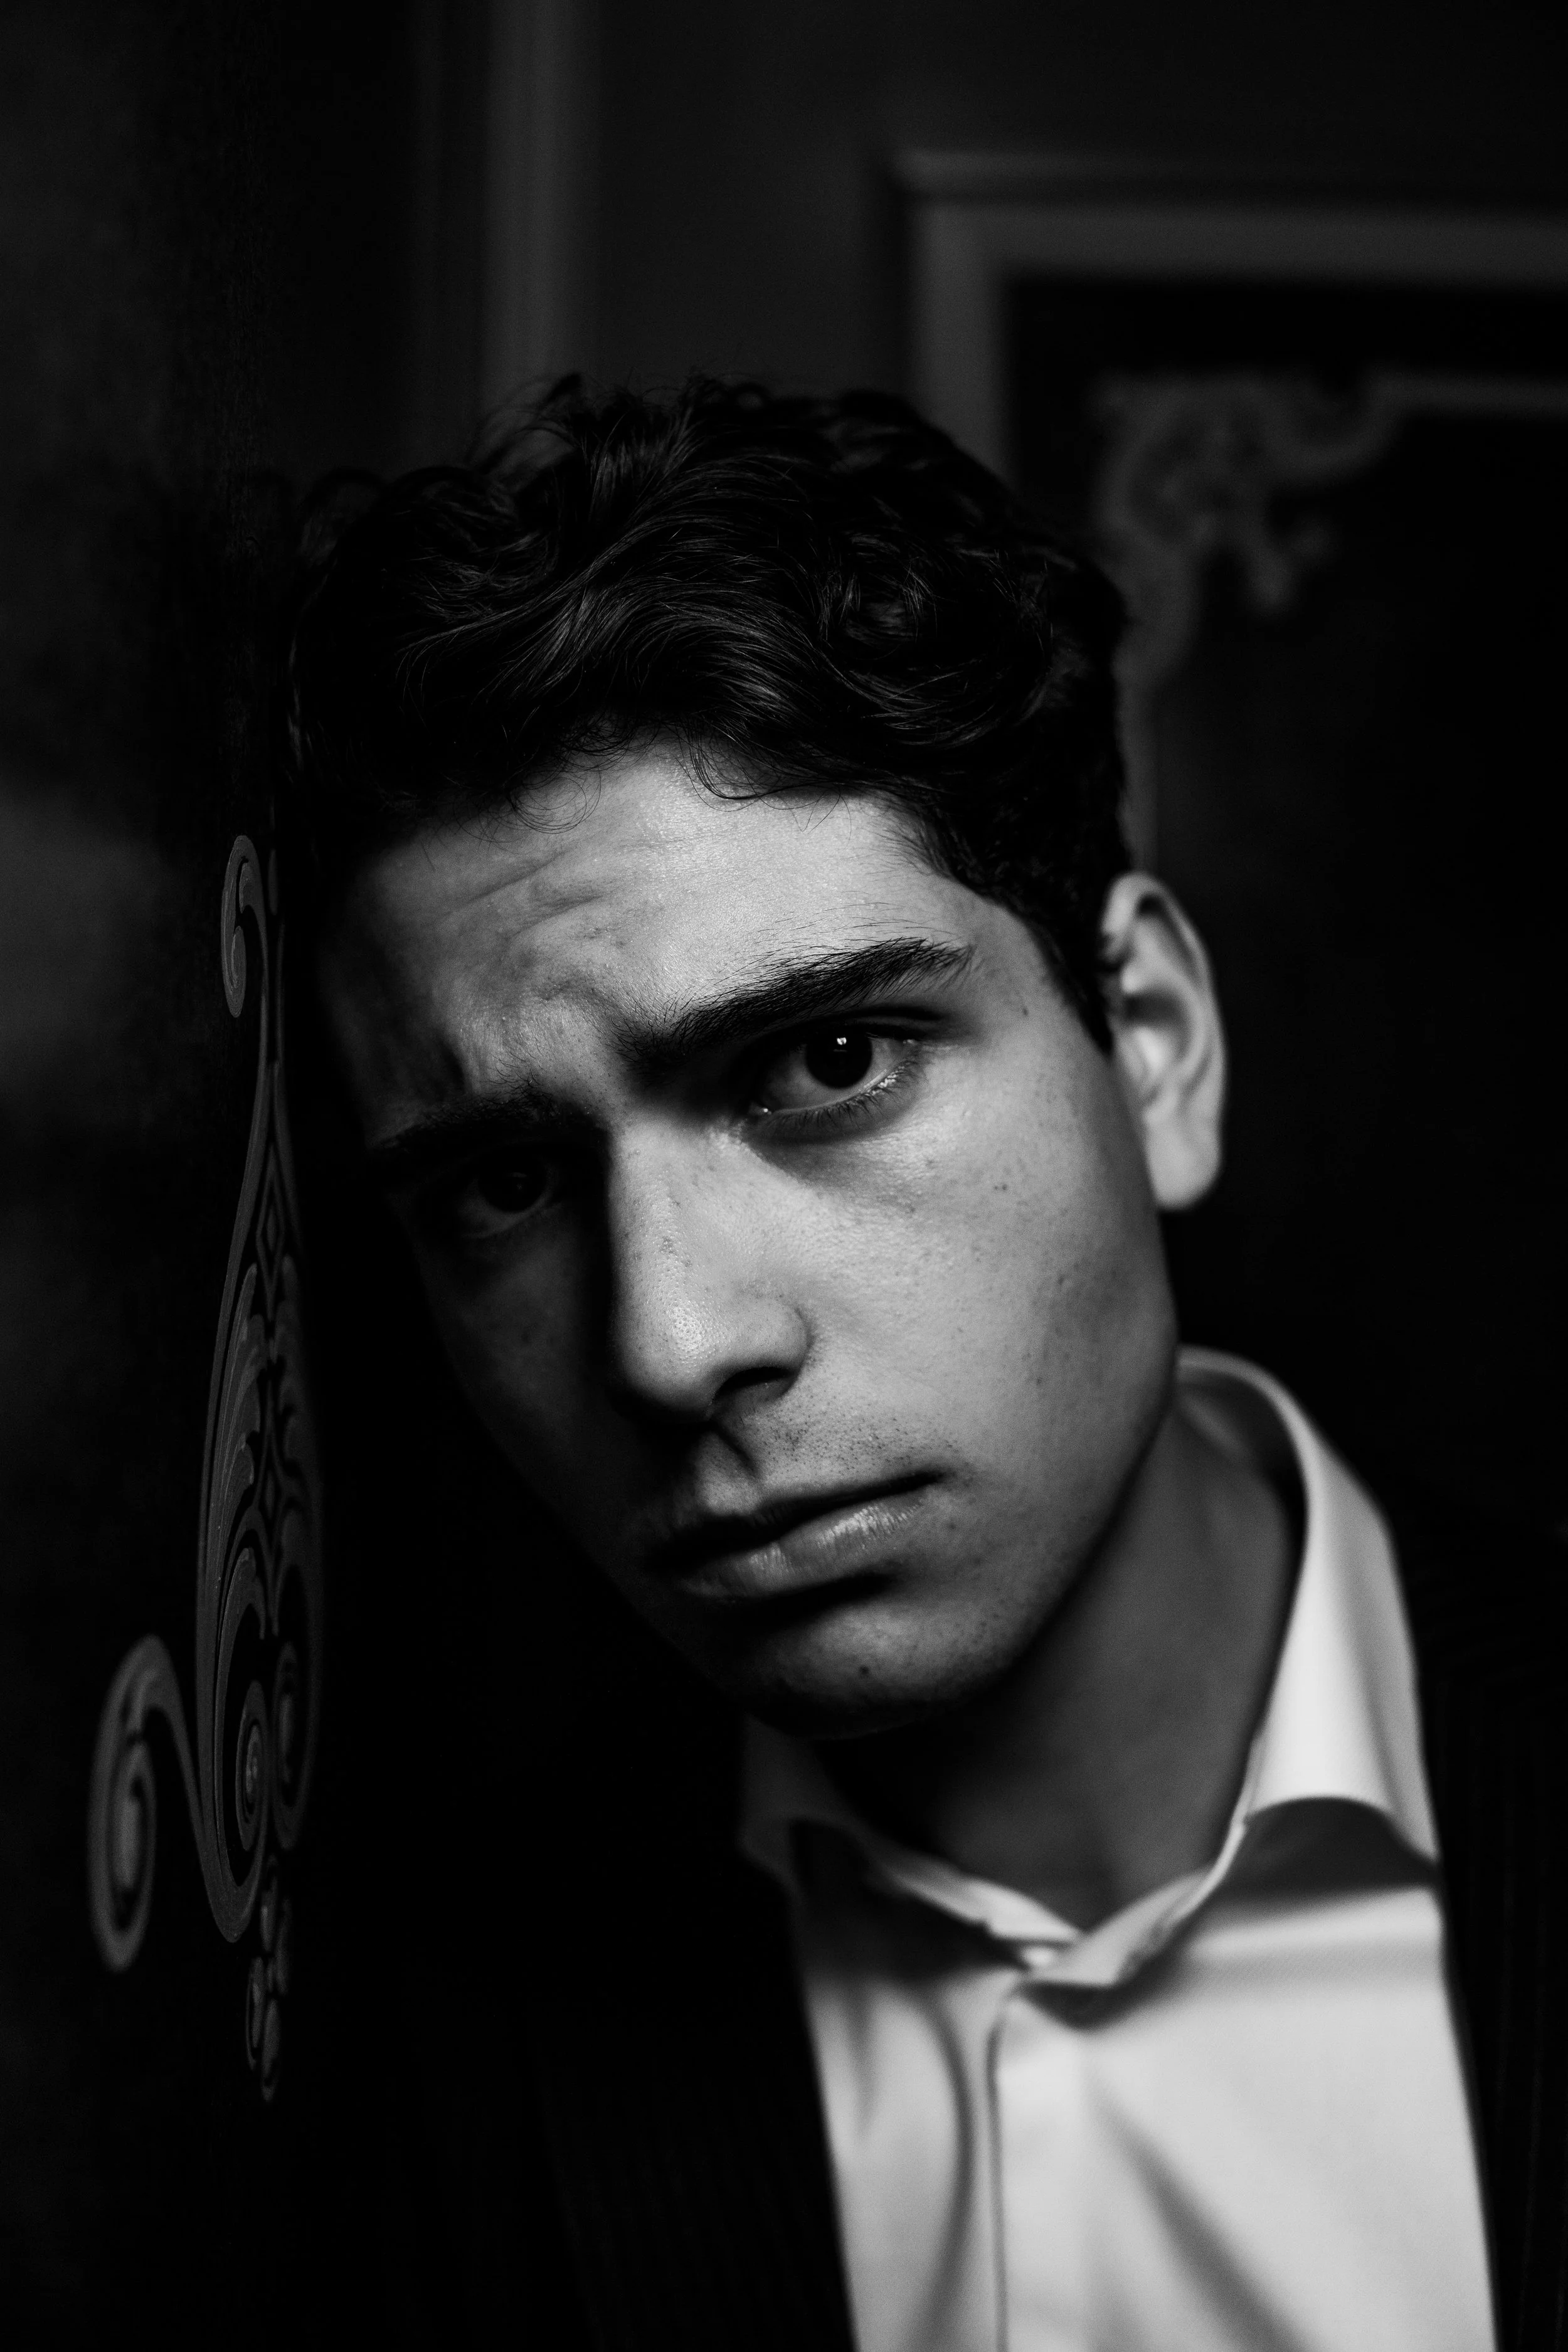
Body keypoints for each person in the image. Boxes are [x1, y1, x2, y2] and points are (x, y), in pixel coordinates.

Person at [287, 380, 1565, 2352]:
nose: (676, 1339)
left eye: (825, 1063)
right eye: (512, 1181)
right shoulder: (418, 2055)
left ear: (1149, 1044)